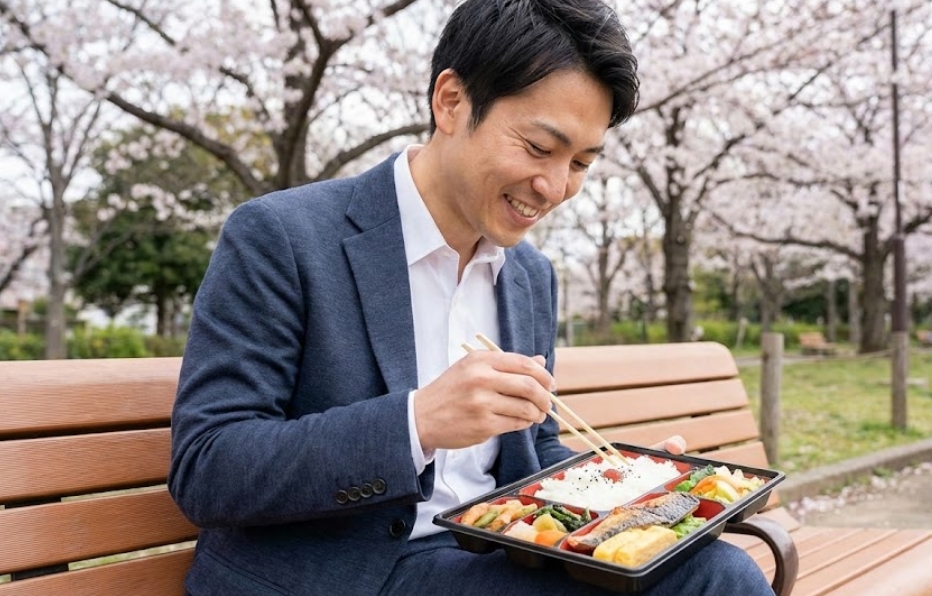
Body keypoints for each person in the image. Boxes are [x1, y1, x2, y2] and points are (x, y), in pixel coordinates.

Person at [168, 1, 775, 594]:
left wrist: (625, 488)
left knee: (714, 572)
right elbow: (208, 467)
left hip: (481, 557)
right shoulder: (283, 237)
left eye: (582, 163)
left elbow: (533, 446)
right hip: (333, 572)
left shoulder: (529, 274)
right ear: (452, 101)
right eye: (539, 148)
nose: (555, 187)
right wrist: (417, 423)